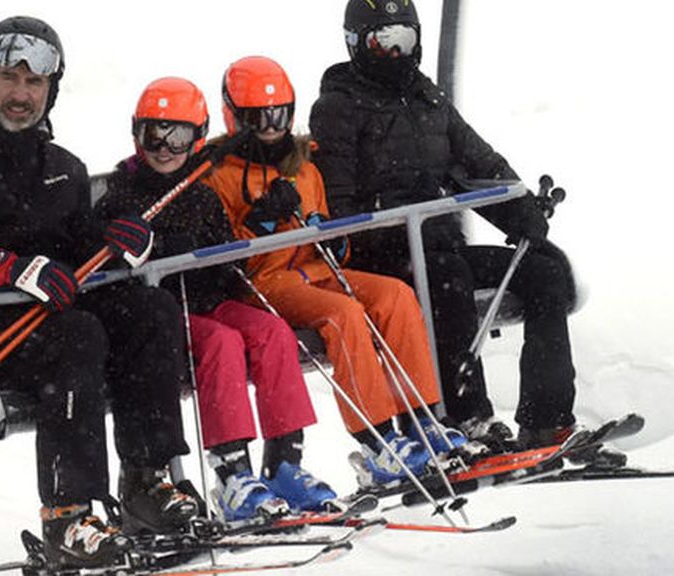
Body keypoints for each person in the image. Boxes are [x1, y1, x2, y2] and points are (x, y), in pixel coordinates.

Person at [0, 16, 198, 569]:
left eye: (34, 84)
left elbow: (80, 244)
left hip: (47, 319)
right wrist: (6, 268)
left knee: (149, 309)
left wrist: (121, 235)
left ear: (51, 89)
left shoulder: (62, 168)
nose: (21, 95)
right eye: (10, 78)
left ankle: (146, 481)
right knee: (78, 333)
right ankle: (67, 515)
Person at [309, 0, 579, 451]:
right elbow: (336, 201)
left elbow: (478, 163)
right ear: (357, 44)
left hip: (438, 244)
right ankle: (465, 416)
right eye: (383, 42)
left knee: (544, 268)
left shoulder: (427, 98)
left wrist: (519, 211)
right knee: (447, 278)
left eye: (405, 40)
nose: (396, 54)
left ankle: (546, 419)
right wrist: (384, 230)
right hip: (383, 257)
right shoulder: (338, 108)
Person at [202, 55, 480, 490]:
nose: (272, 126)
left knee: (394, 296)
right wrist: (262, 220)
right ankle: (377, 437)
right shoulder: (219, 175)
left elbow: (331, 225)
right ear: (235, 118)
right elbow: (222, 250)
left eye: (279, 114)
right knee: (343, 314)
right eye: (258, 117)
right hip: (268, 282)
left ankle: (422, 418)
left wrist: (336, 241)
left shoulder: (304, 166)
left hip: (316, 269)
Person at [95, 76, 338, 522]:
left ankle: (285, 461)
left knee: (272, 331)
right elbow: (111, 268)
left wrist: (227, 248)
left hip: (210, 299)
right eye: (154, 133)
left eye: (179, 135)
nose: (165, 147)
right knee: (223, 343)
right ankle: (232, 473)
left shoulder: (201, 193)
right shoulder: (122, 195)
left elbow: (231, 263)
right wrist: (155, 250)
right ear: (136, 132)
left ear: (199, 137)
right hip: (167, 315)